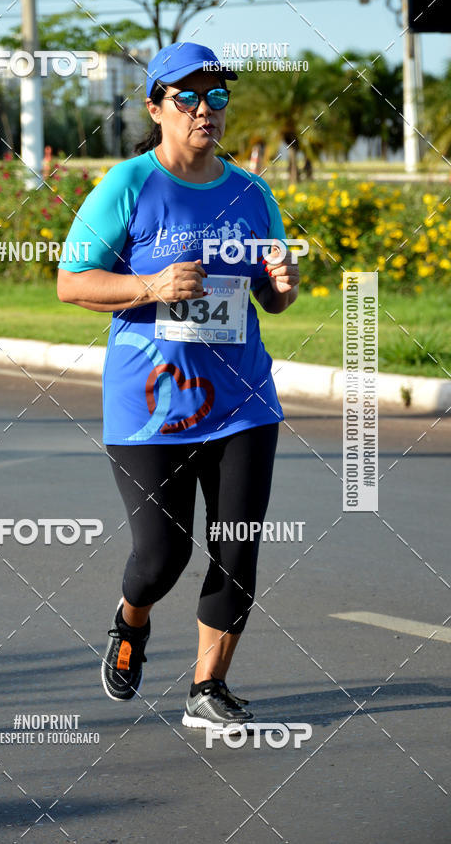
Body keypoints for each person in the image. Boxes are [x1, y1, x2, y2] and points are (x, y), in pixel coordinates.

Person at [57, 42, 299, 731]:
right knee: (162, 556)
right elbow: (72, 282)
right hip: (151, 405)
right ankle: (130, 622)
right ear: (156, 107)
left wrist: (282, 286)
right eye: (188, 98)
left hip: (243, 401)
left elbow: (271, 296)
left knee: (237, 545)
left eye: (216, 97)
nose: (205, 110)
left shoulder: (252, 192)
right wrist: (149, 285)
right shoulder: (128, 185)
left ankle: (207, 690)